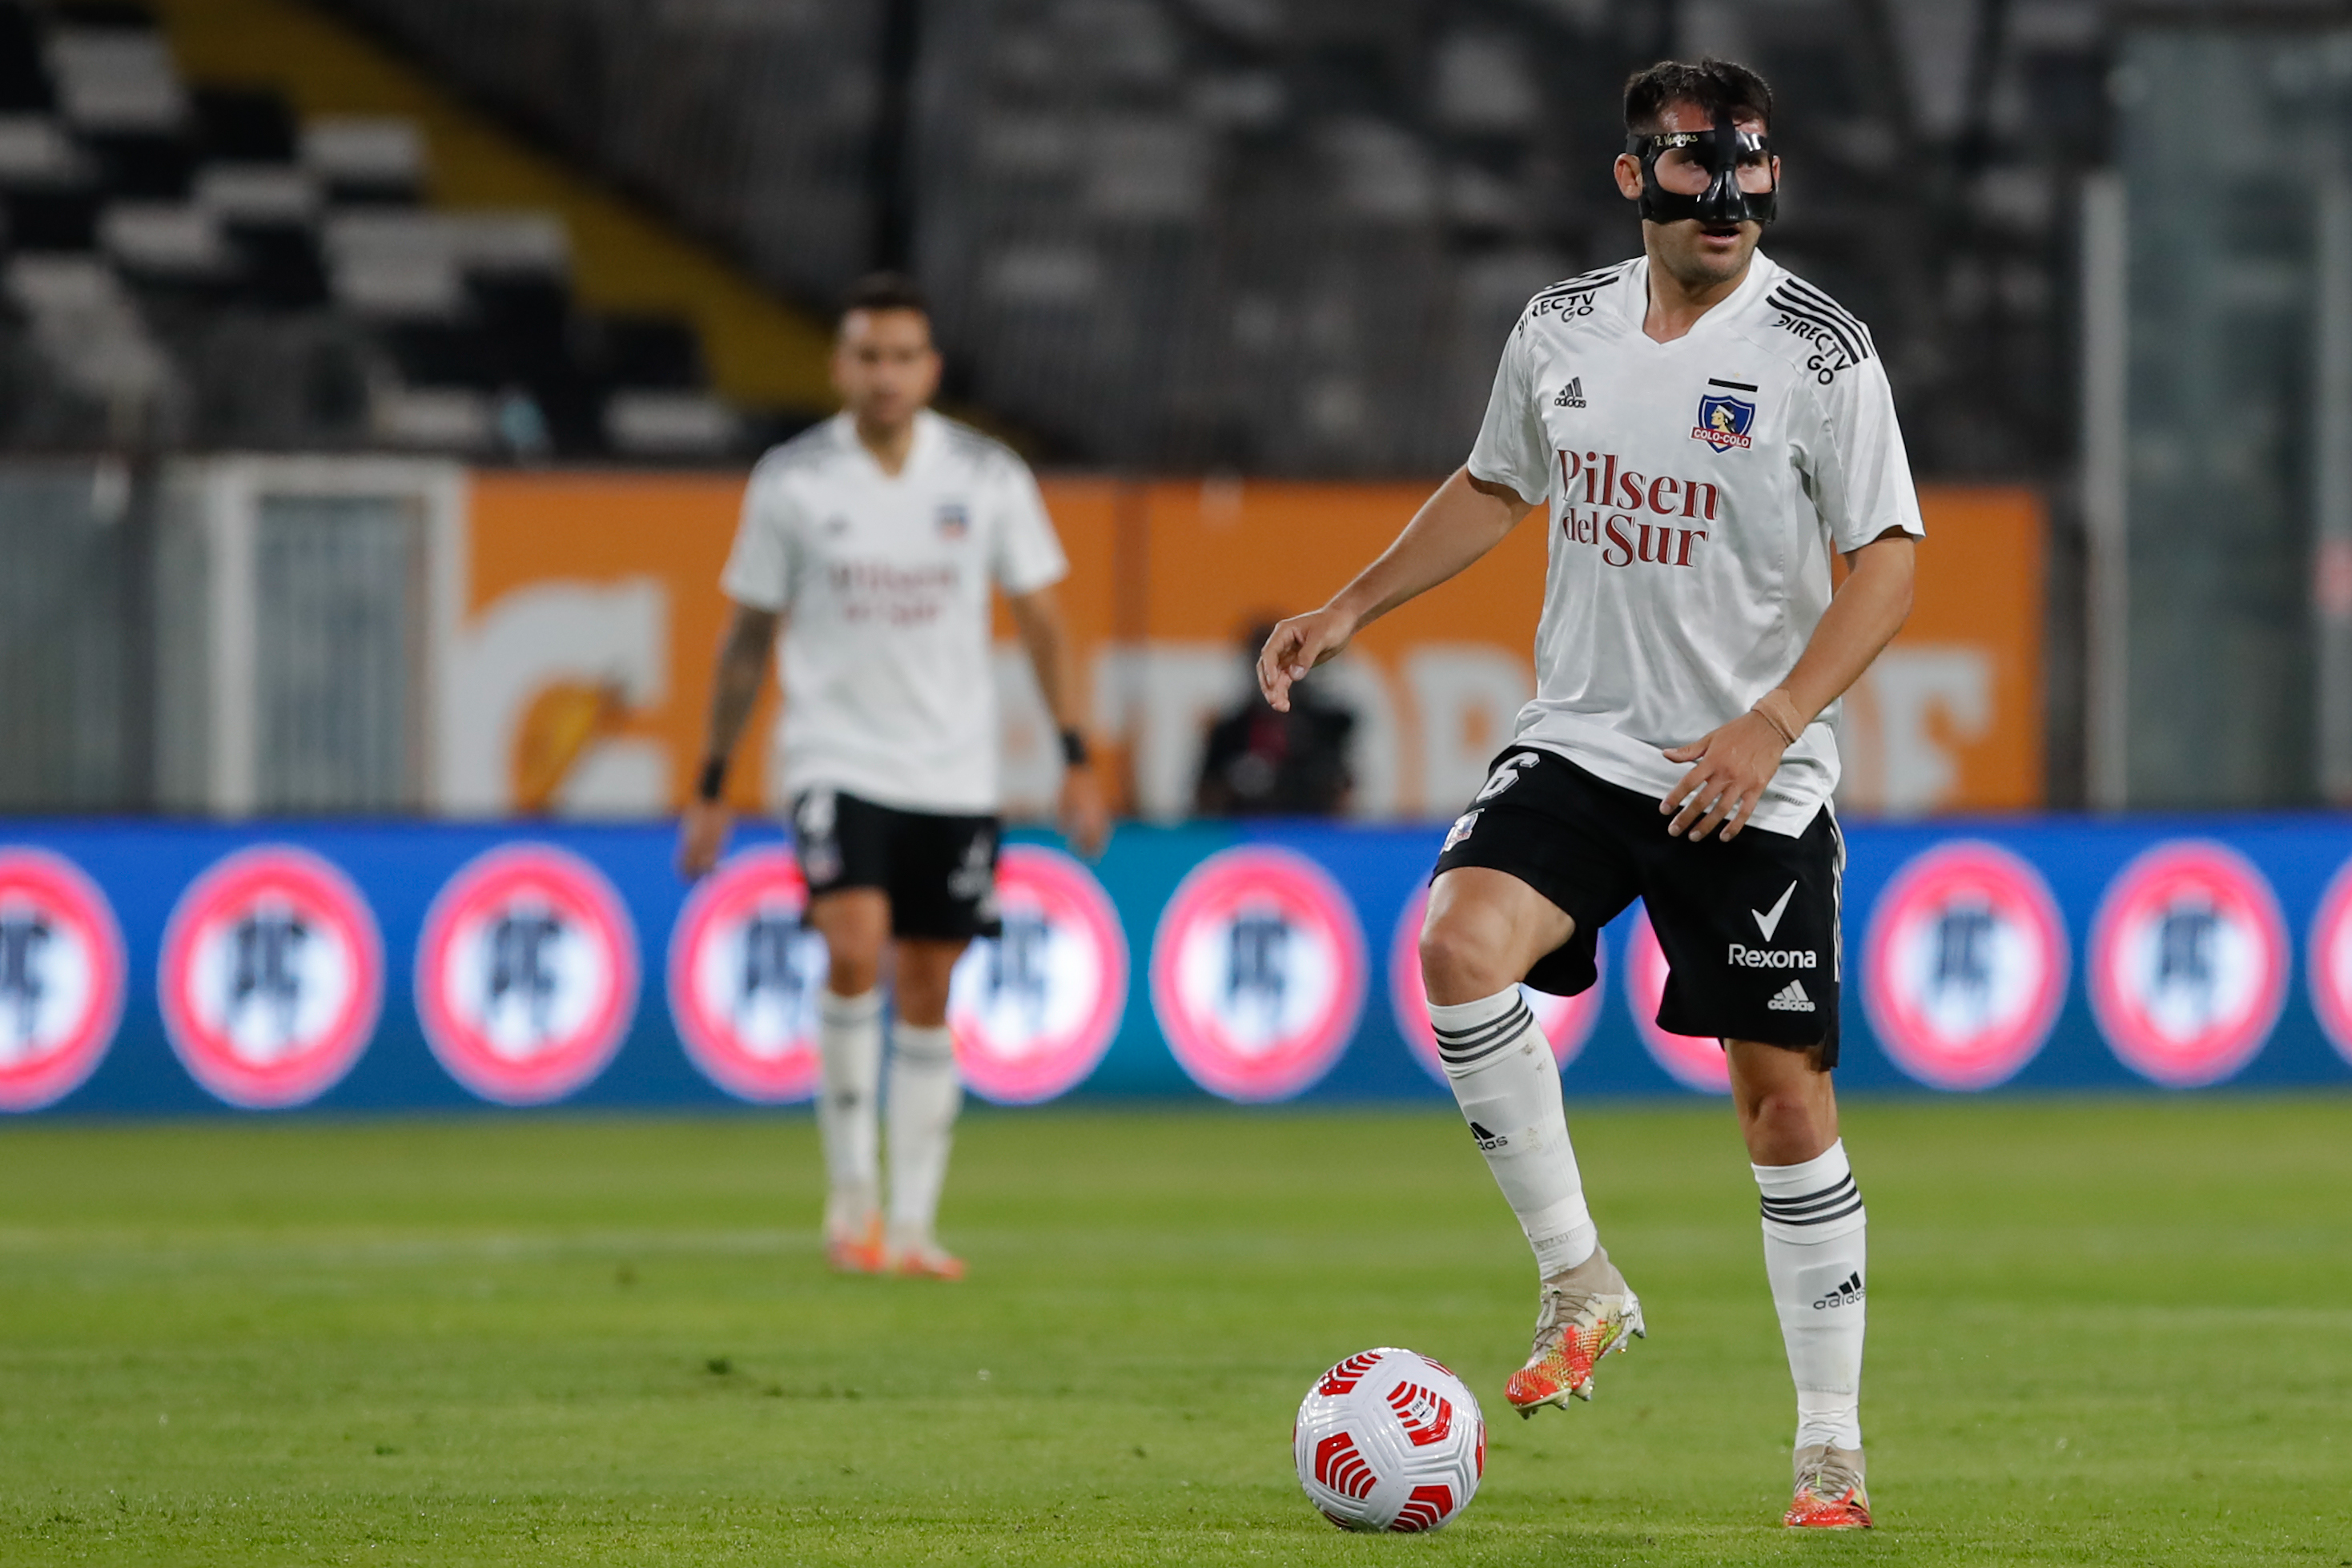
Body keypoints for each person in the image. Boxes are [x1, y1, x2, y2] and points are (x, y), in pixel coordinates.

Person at [1256, 59, 1919, 1530]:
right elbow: (1497, 483)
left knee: (1780, 1106)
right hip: (1584, 740)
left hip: (1751, 773)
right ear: (1634, 179)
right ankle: (1578, 1275)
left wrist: (1773, 719)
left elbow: (1887, 558)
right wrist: (1351, 602)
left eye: (1750, 169)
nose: (1727, 197)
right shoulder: (1559, 326)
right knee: (1454, 948)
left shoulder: (1821, 353)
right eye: (1695, 169)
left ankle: (1827, 1444)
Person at [678, 272, 1109, 1281]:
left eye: (902, 356)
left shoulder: (988, 475)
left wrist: (1077, 755)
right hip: (835, 754)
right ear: (839, 366)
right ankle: (851, 1200)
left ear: (930, 369)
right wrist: (711, 780)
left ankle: (912, 1225)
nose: (884, 374)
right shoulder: (792, 481)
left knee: (928, 980)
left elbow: (1043, 618)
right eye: (867, 355)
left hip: (955, 769)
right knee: (855, 939)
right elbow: (746, 639)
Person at [1194, 620, 1356, 816]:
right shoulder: (1228, 732)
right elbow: (1205, 796)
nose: (1273, 673)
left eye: (1282, 661)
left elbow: (1344, 790)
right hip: (1246, 832)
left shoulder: (1329, 725)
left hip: (1313, 831)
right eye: (1264, 663)